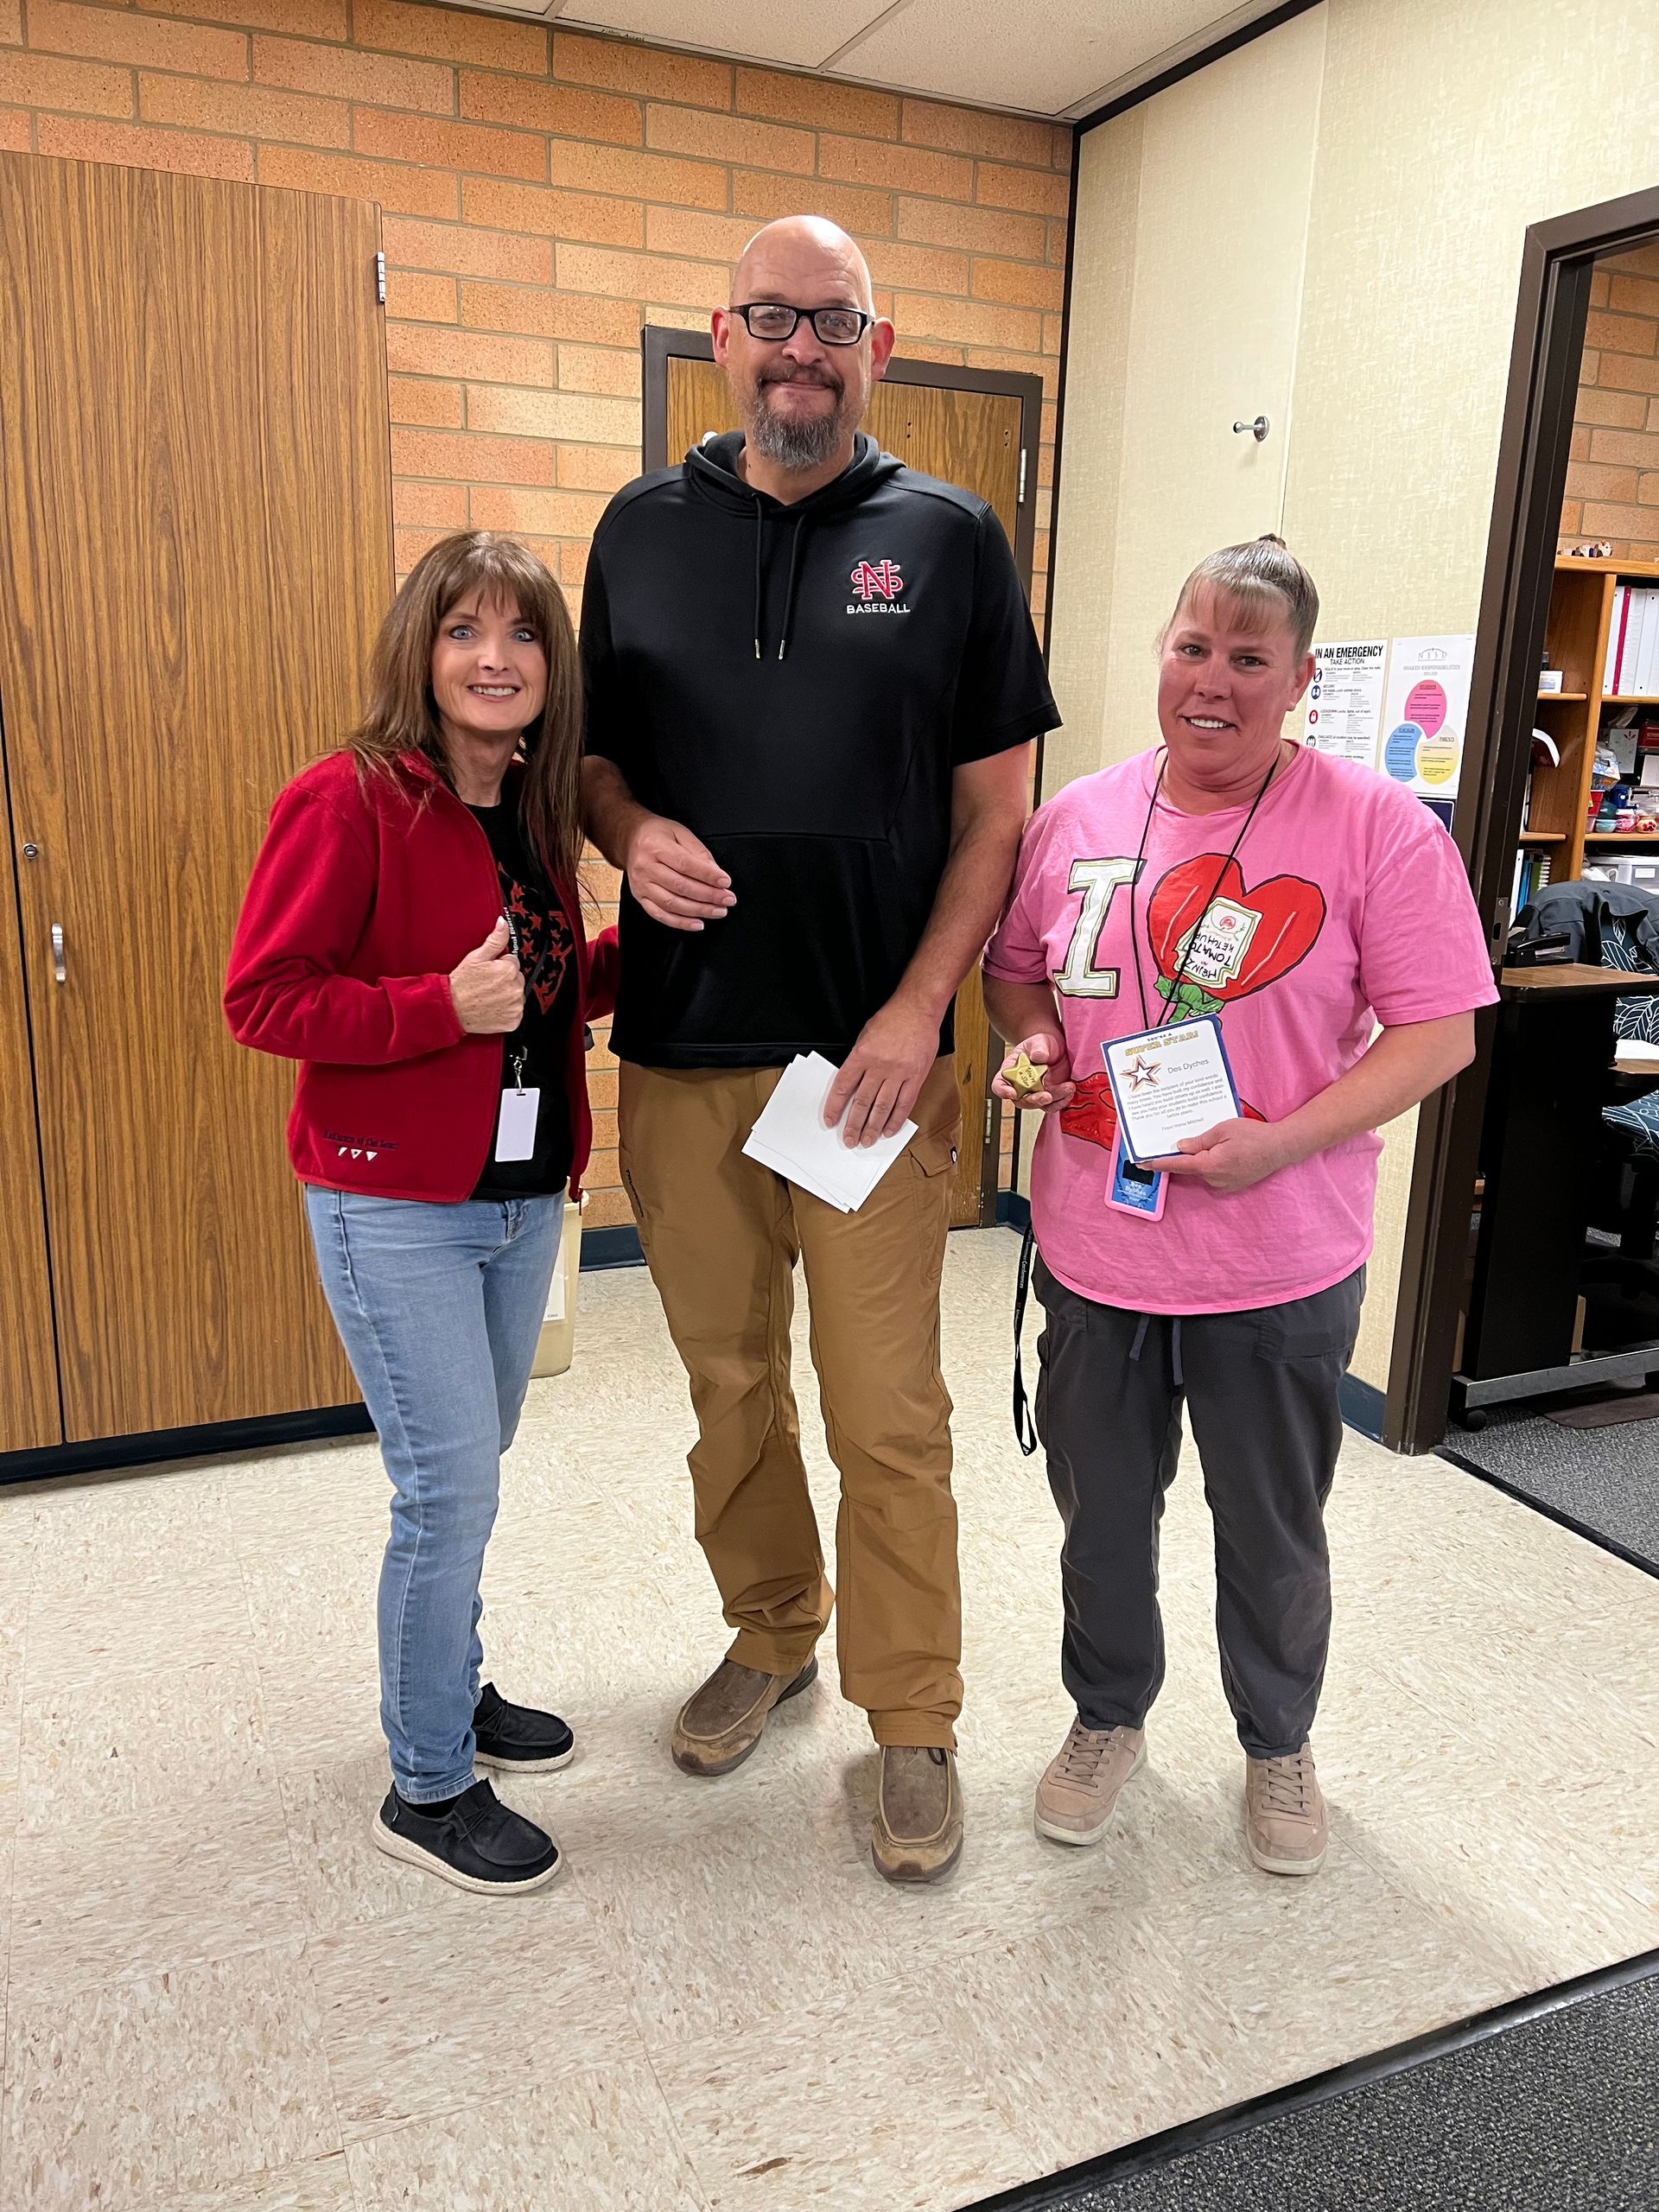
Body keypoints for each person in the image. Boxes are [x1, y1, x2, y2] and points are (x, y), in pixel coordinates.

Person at [580, 215, 1058, 1884]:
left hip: (866, 1069)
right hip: (687, 1048)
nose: (804, 350)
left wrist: (922, 1011)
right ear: (723, 334)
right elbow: (593, 763)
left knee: (887, 1411)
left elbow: (997, 813)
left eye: (834, 323)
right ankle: (772, 1629)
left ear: (878, 341)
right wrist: (628, 831)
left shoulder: (951, 539)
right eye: (774, 319)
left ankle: (911, 1718)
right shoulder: (637, 531)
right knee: (724, 1385)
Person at [982, 537, 1497, 1876]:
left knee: (1272, 1528)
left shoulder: (1377, 827)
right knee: (1100, 1521)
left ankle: (1278, 1744)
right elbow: (1020, 972)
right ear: (1163, 651)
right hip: (1098, 1243)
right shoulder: (1077, 818)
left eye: (1247, 658)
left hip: (1276, 1260)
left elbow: (1437, 1034)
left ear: (1299, 681)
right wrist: (1036, 1045)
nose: (1212, 681)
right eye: (1192, 647)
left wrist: (1281, 1144)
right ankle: (1107, 1720)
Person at [226, 531, 617, 1897]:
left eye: (522, 636)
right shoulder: (347, 799)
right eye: (465, 632)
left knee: (474, 1469)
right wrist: (431, 1010)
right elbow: (263, 997)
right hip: (391, 1197)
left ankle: (449, 1680)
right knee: (446, 1487)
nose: (496, 660)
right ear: (423, 650)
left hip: (516, 1201)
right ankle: (430, 1781)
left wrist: (658, 953)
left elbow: (545, 983)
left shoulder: (532, 800)